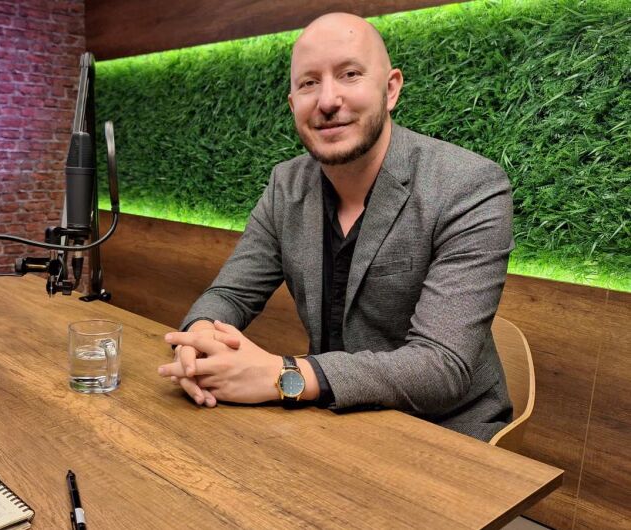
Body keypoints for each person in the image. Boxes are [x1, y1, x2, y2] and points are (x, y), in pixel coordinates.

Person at [157, 12, 515, 441]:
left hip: (444, 433)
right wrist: (199, 339)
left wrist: (282, 375)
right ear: (293, 104)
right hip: (332, 419)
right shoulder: (286, 185)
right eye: (309, 83)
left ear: (390, 89)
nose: (327, 100)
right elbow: (231, 294)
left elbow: (441, 366)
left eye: (350, 74)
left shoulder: (468, 185)